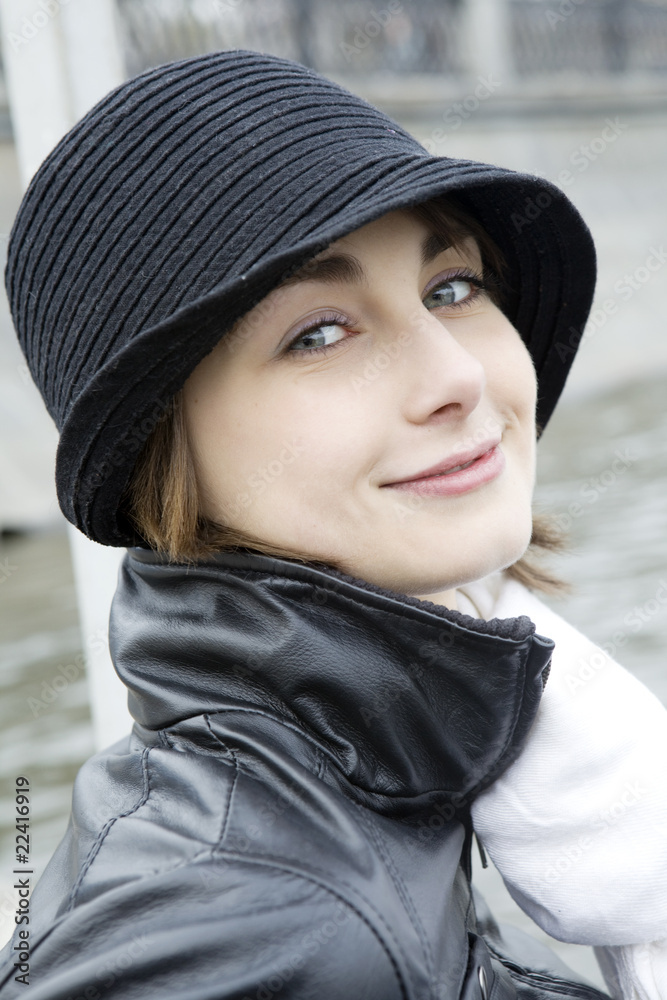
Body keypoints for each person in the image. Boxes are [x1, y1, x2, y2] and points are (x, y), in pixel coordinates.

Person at [0, 48, 665, 1000]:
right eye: (318, 333)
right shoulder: (246, 929)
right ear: (162, 446)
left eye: (451, 288)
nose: (456, 376)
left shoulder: (412, 762)